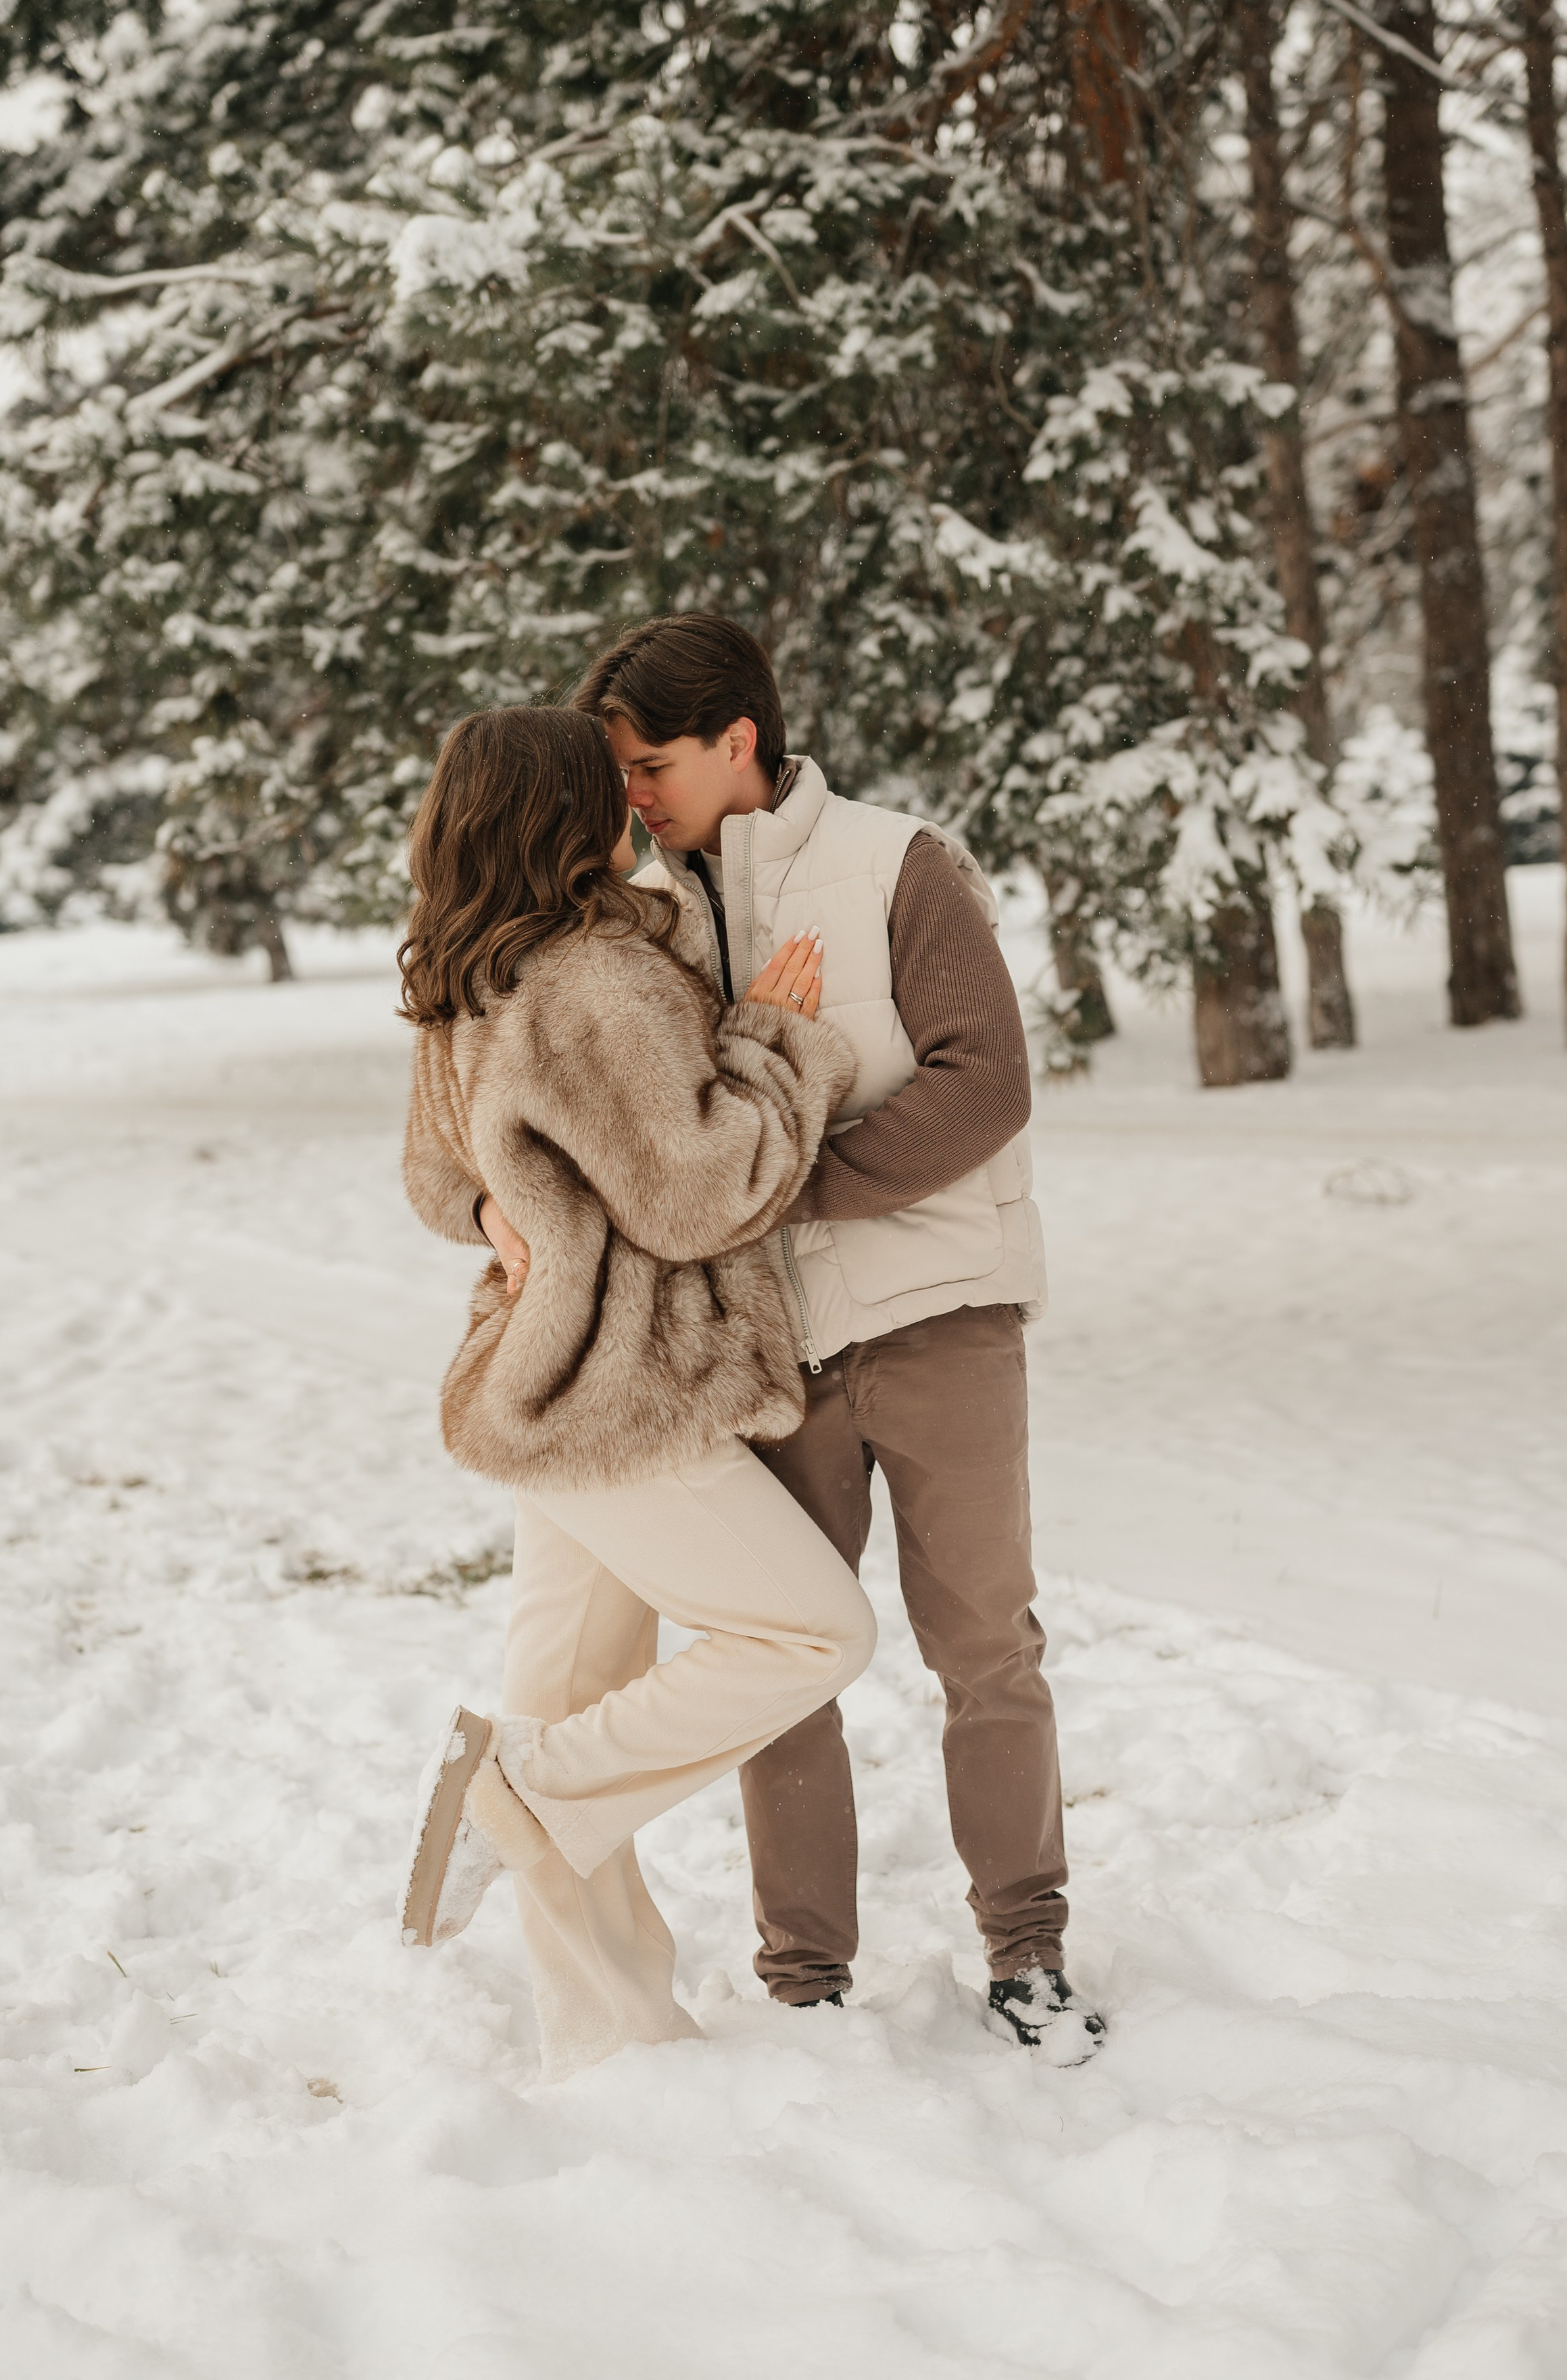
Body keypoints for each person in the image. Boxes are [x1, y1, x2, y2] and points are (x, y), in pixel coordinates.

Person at [479, 620, 1104, 2064]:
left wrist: (774, 1181)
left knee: (983, 1647)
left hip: (937, 1317)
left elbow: (984, 1080)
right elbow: (530, 1071)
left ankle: (1026, 1948)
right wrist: (483, 1200)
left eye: (651, 764)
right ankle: (803, 1977)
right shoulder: (633, 914)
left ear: (738, 742)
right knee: (778, 1654)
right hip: (765, 1350)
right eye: (618, 771)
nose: (628, 793)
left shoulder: (898, 864)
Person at [395, 704, 877, 2081]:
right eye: (607, 785)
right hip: (625, 1388)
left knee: (568, 1691)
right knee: (810, 1633)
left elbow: (434, 1176)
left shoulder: (467, 968)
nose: (631, 801)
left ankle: (609, 2038)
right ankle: (516, 1797)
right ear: (559, 811)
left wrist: (497, 1198)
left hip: (538, 1378)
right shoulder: (593, 979)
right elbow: (699, 1188)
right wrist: (778, 1039)